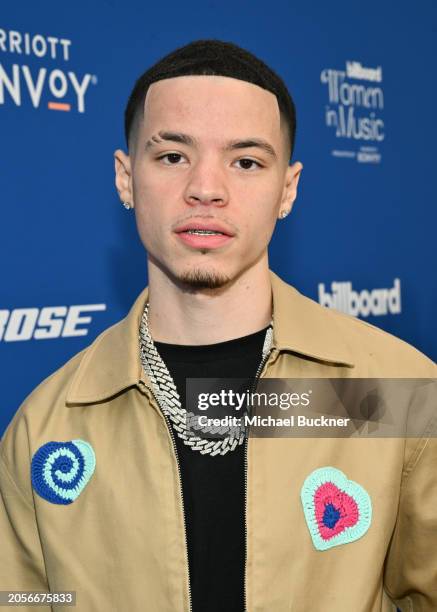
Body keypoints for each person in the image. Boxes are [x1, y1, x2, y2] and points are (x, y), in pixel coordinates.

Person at [0, 39, 436, 612]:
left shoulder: (400, 393)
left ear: (288, 189)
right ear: (125, 179)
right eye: (173, 156)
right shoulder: (44, 427)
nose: (206, 188)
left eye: (246, 161)